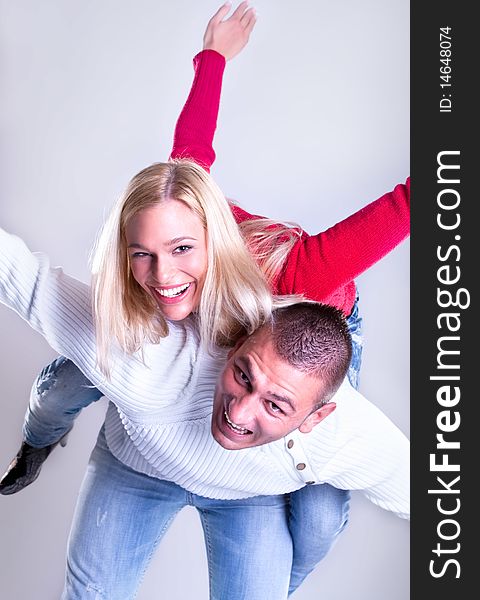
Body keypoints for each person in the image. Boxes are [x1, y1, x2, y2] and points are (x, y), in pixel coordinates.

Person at [0, 2, 409, 597]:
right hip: (183, 349)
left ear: (207, 244)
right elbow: (190, 147)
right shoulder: (173, 218)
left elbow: (403, 206)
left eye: (181, 253)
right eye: (143, 254)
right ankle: (38, 442)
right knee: (72, 380)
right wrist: (213, 55)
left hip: (309, 324)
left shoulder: (299, 277)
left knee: (318, 518)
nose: (161, 275)